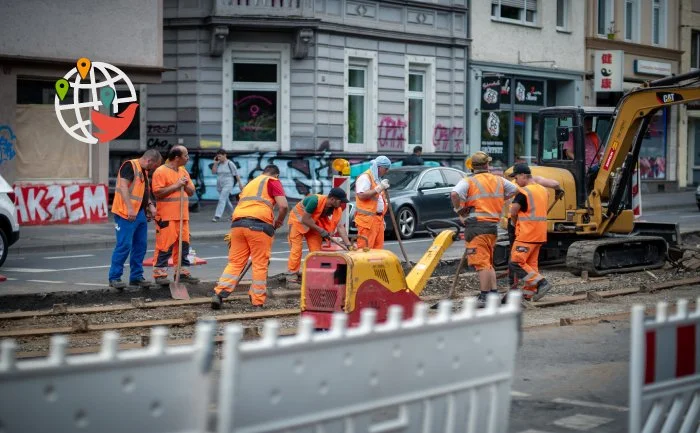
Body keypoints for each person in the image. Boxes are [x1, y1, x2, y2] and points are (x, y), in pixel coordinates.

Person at [211, 164, 288, 309]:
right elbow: (283, 206)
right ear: (276, 175)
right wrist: (279, 221)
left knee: (235, 262)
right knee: (259, 264)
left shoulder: (250, 184)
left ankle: (219, 294)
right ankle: (257, 300)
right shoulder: (273, 181)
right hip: (259, 225)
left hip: (238, 224)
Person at [450, 151, 519, 308]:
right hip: (491, 226)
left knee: (481, 263)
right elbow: (515, 190)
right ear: (487, 165)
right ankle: (493, 294)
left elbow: (454, 194)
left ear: (472, 166)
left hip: (476, 226)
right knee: (488, 262)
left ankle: (484, 296)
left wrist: (459, 210)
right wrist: (501, 199)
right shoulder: (498, 180)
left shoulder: (469, 181)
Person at [108, 150, 163, 289]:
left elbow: (144, 192)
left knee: (140, 246)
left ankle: (136, 277)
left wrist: (150, 206)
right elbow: (123, 187)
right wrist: (130, 208)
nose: (153, 170)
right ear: (149, 161)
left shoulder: (143, 171)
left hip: (139, 214)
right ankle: (114, 277)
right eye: (154, 167)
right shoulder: (130, 165)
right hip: (126, 213)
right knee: (124, 245)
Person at [151, 145, 200, 285]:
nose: (188, 158)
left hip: (183, 216)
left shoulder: (183, 171)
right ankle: (159, 274)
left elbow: (191, 191)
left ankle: (182, 272)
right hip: (167, 216)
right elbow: (158, 193)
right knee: (165, 245)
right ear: (177, 157)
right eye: (186, 155)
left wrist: (187, 185)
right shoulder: (160, 171)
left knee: (184, 245)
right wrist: (177, 185)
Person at [508, 163, 556, 301]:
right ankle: (529, 293)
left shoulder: (524, 192)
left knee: (516, 262)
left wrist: (513, 222)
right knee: (530, 264)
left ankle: (542, 283)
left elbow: (513, 210)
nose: (516, 181)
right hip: (539, 234)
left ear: (523, 175)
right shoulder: (543, 190)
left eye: (516, 177)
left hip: (526, 234)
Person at [285, 188, 353, 286]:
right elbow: (305, 219)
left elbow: (340, 227)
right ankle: (291, 277)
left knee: (316, 251)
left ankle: (314, 274)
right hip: (297, 222)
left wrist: (348, 244)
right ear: (333, 199)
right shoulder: (314, 200)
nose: (342, 203)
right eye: (340, 201)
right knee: (296, 249)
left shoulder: (336, 209)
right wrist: (321, 230)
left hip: (313, 224)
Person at [354, 155, 391, 249]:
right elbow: (361, 195)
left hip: (378, 220)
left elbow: (379, 201)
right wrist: (378, 189)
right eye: (385, 169)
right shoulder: (365, 177)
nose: (387, 171)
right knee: (365, 250)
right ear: (378, 167)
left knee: (377, 250)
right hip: (367, 222)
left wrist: (382, 219)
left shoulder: (377, 179)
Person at [211, 149, 243, 222]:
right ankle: (233, 215)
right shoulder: (218, 163)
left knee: (222, 199)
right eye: (217, 156)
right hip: (219, 183)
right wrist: (215, 163)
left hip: (228, 183)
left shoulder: (230, 163)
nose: (218, 158)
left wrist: (240, 184)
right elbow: (213, 172)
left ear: (225, 155)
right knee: (226, 200)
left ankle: (217, 216)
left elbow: (236, 174)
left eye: (220, 156)